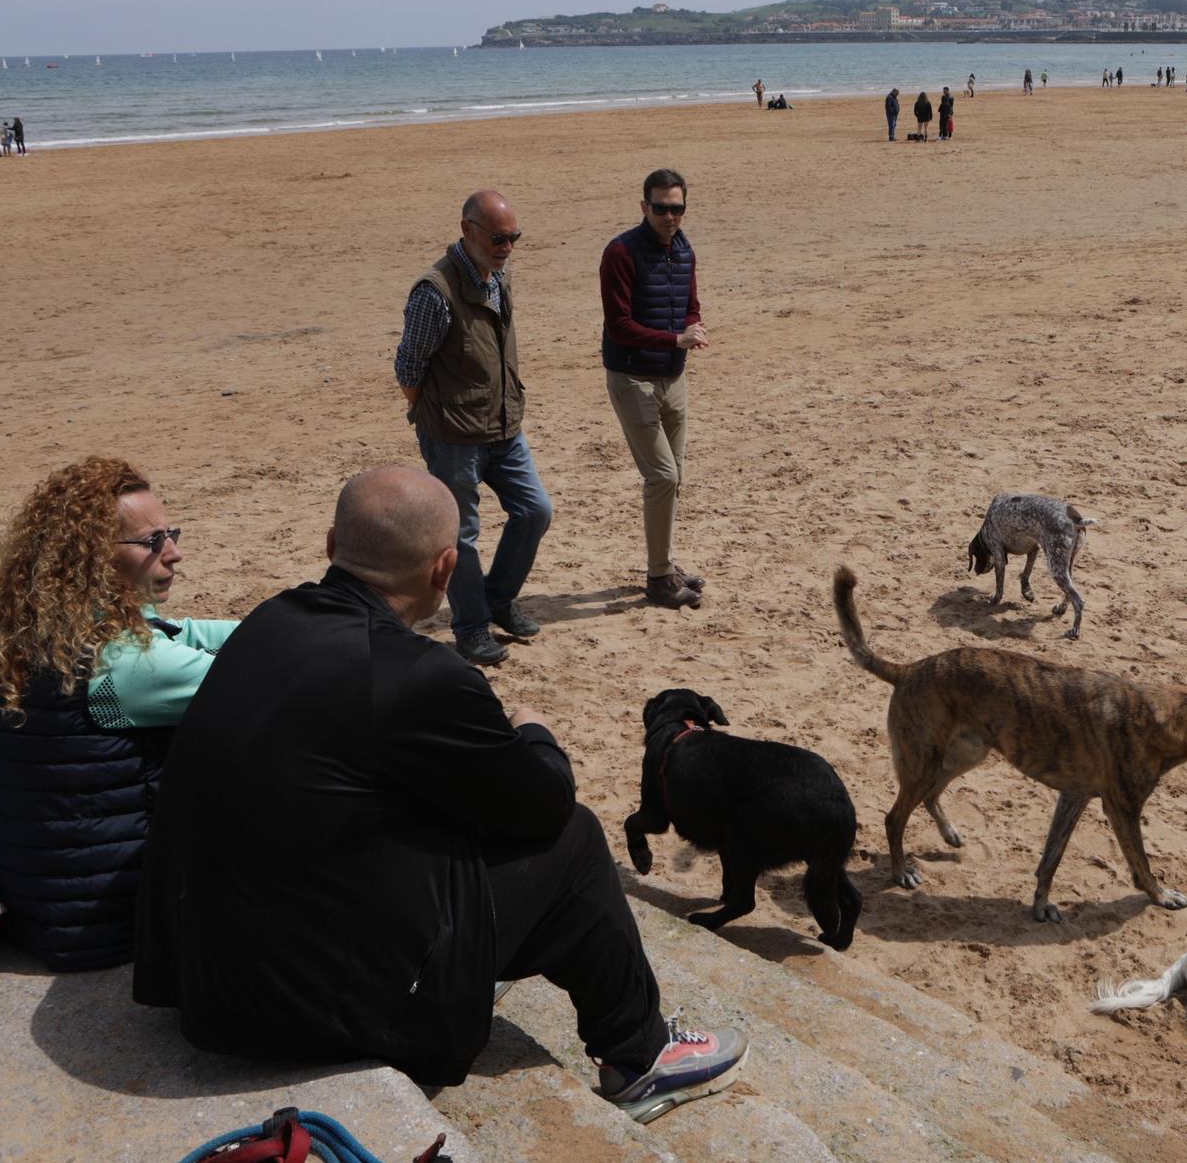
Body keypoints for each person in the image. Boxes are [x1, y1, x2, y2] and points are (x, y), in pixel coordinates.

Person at [133, 466, 748, 1115]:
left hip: (202, 984)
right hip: (297, 1012)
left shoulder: (269, 620)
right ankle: (641, 1054)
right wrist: (535, 732)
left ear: (329, 544)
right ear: (445, 567)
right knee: (575, 839)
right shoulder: (420, 673)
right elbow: (543, 807)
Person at [0, 457, 237, 970]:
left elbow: (180, 632)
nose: (174, 553)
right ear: (93, 558)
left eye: (170, 533)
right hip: (109, 922)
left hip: (35, 897)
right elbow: (280, 681)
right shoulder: (119, 663)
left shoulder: (17, 629)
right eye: (153, 542)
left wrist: (292, 619)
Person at [393, 189, 553, 667]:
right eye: (499, 238)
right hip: (453, 437)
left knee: (535, 511)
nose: (507, 247)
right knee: (461, 534)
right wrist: (435, 417)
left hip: (504, 427)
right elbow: (407, 370)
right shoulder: (434, 291)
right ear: (468, 230)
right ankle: (470, 628)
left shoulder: (498, 279)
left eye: (514, 238)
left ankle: (497, 599)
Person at [600, 168, 708, 610]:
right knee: (662, 475)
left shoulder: (683, 249)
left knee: (674, 477)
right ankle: (659, 579)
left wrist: (693, 327)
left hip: (673, 376)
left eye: (676, 208)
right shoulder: (621, 253)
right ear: (644, 207)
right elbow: (620, 325)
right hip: (632, 377)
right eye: (661, 208)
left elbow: (690, 306)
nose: (669, 216)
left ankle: (664, 565)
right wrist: (675, 339)